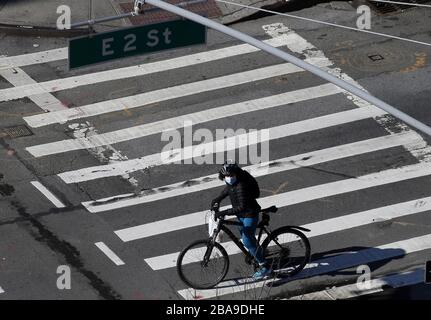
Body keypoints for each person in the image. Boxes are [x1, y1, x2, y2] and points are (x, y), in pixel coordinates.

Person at [210, 160, 272, 280]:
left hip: (249, 214)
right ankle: (259, 252)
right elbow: (227, 191)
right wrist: (216, 200)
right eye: (226, 176)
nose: (229, 178)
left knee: (247, 240)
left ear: (236, 174)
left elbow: (241, 207)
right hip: (241, 215)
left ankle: (265, 267)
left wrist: (224, 212)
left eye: (231, 175)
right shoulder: (232, 183)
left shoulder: (241, 186)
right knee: (246, 237)